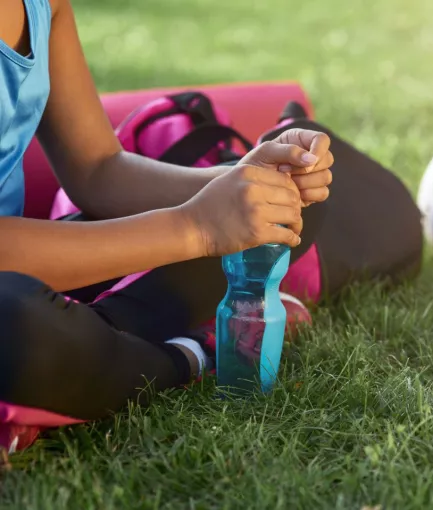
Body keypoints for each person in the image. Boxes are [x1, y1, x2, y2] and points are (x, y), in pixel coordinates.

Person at [0, 0, 334, 420]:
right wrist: (194, 227)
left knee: (285, 207)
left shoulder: (46, 6)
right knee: (13, 322)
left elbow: (98, 169)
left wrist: (243, 184)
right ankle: (183, 357)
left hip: (30, 263)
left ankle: (95, 347)